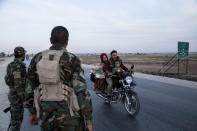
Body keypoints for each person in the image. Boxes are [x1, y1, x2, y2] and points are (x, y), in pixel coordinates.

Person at [25, 26, 93, 131]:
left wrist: (33, 112)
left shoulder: (37, 58)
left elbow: (30, 87)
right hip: (71, 117)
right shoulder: (72, 59)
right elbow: (81, 91)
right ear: (67, 41)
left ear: (50, 40)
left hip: (46, 115)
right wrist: (88, 120)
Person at [4, 46, 26, 131]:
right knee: (16, 121)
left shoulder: (12, 65)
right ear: (22, 54)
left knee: (15, 120)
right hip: (17, 97)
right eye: (24, 53)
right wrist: (23, 99)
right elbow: (18, 85)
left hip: (13, 95)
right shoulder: (17, 67)